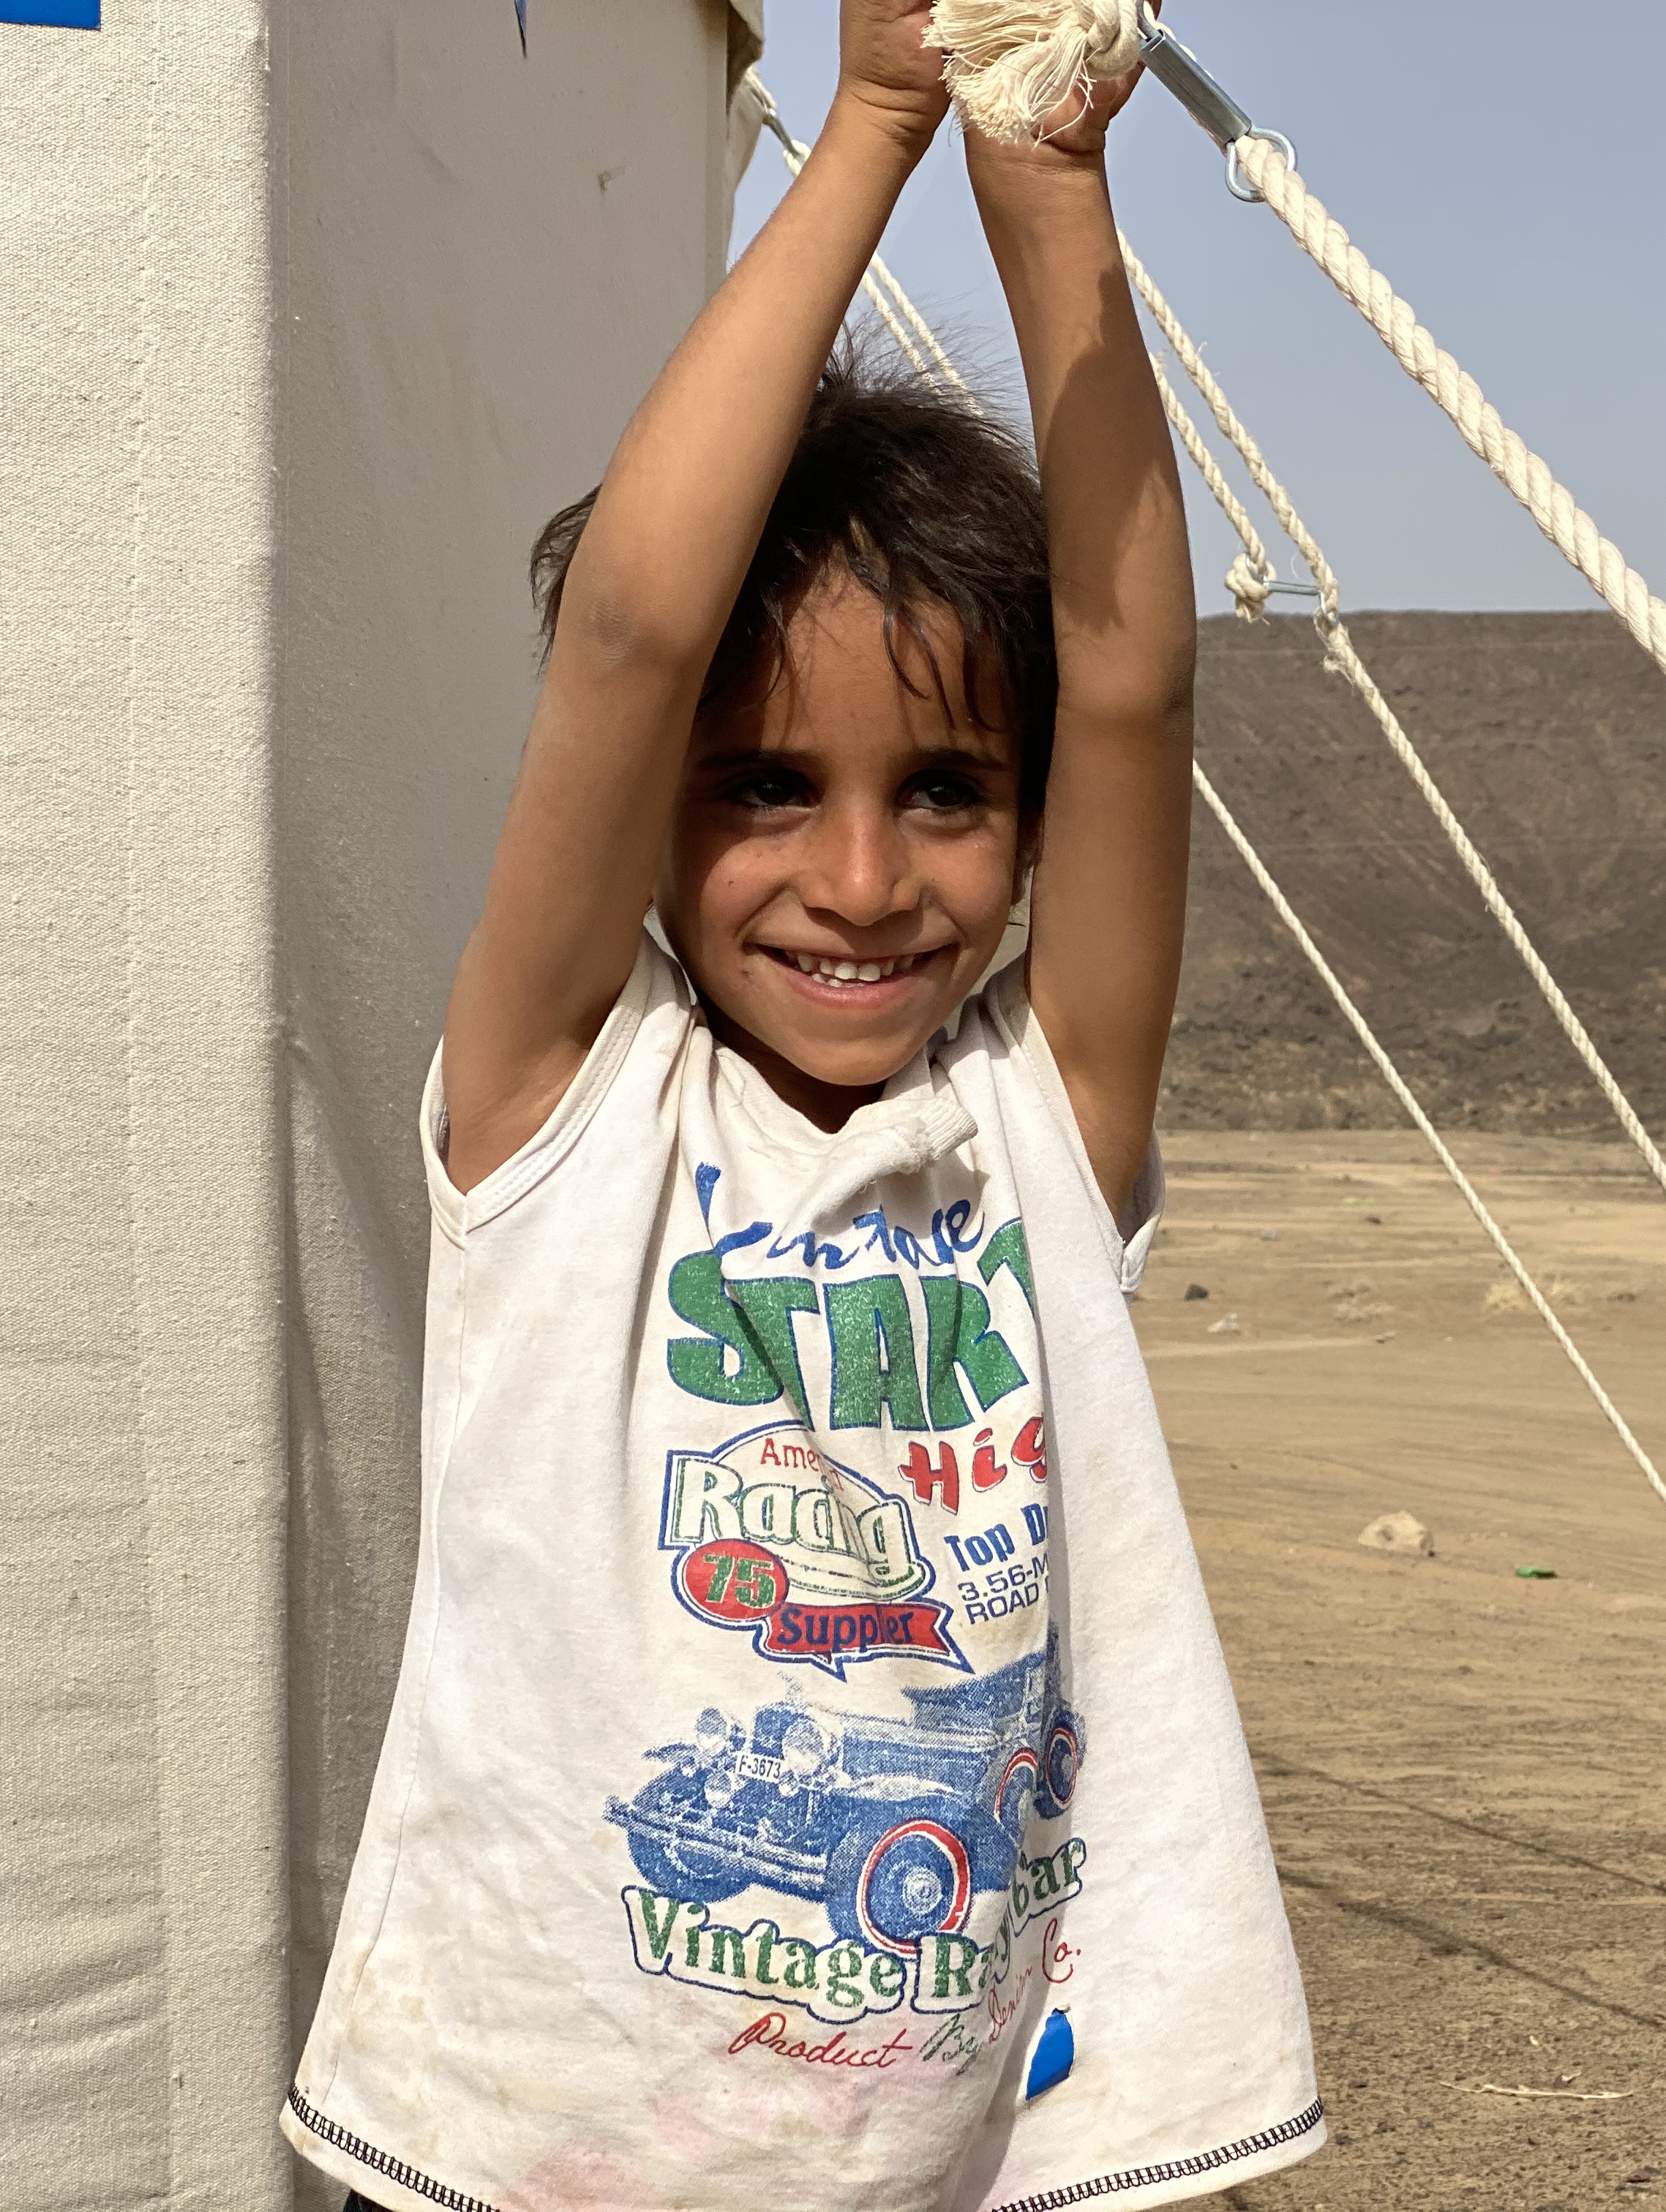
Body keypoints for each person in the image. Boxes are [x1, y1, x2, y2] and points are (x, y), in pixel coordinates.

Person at [283, 5, 1324, 2206]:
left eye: (946, 793)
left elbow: (1132, 672)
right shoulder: (568, 1107)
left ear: (1030, 823)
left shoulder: (1038, 1123)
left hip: (951, 2154)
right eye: (768, 791)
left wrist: (1043, 178)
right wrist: (872, 121)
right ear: (658, 804)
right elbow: (634, 639)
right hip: (545, 2143)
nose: (861, 883)